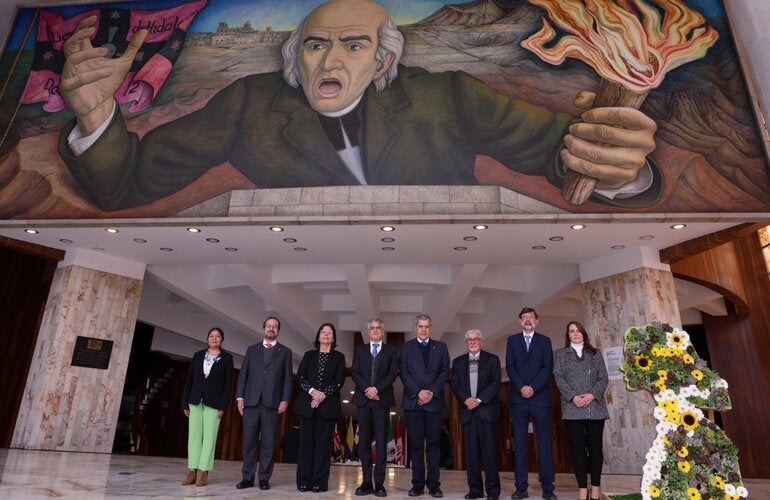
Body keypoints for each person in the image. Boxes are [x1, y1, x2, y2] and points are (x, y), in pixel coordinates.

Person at [57, 0, 659, 212]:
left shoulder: (446, 94)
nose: (330, 62)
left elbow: (565, 150)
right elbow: (125, 186)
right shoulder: (249, 104)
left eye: (353, 45)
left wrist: (617, 166)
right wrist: (92, 115)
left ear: (382, 62)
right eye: (315, 46)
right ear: (297, 58)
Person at [234, 316, 293, 490]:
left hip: (272, 403)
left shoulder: (285, 352)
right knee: (250, 442)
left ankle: (264, 478)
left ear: (278, 331)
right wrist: (239, 397)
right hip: (251, 402)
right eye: (268, 326)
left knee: (268, 443)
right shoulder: (251, 350)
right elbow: (243, 374)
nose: (271, 329)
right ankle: (247, 478)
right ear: (263, 329)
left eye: (275, 327)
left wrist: (285, 399)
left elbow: (288, 378)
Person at [553, 321, 609, 500]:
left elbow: (603, 378)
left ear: (583, 334)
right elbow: (558, 377)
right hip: (572, 407)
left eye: (578, 331)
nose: (575, 334)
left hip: (594, 406)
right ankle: (582, 489)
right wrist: (573, 397)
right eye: (571, 331)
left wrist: (592, 395)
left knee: (595, 448)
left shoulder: (595, 354)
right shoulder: (561, 355)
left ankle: (596, 488)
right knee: (577, 449)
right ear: (567, 335)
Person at [506, 307, 557, 500]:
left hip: (540, 398)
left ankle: (548, 488)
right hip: (518, 400)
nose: (528, 320)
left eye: (531, 317)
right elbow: (510, 366)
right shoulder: (512, 341)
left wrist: (532, 387)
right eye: (525, 317)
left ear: (537, 321)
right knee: (519, 444)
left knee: (544, 443)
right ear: (519, 321)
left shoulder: (545, 341)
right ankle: (521, 487)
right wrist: (522, 388)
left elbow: (547, 367)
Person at [399, 314, 450, 498]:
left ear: (430, 327)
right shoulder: (406, 348)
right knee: (416, 445)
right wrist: (418, 392)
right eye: (420, 326)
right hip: (413, 403)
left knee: (434, 445)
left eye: (426, 326)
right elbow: (404, 372)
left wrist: (431, 392)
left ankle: (434, 485)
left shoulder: (441, 347)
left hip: (434, 403)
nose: (423, 329)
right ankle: (418, 485)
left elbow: (444, 372)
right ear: (415, 327)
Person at [293, 323, 346, 493]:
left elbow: (339, 381)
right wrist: (313, 392)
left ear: (333, 338)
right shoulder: (309, 355)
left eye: (329, 333)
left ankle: (319, 483)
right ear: (318, 336)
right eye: (323, 332)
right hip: (307, 406)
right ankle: (303, 482)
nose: (326, 335)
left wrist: (322, 395)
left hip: (327, 407)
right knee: (306, 445)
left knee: (323, 446)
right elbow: (301, 377)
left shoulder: (339, 357)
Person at [450, 329, 501, 500]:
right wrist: (466, 400)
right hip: (468, 413)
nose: (472, 342)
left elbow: (495, 383)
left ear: (481, 341)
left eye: (476, 339)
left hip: (486, 412)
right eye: (469, 340)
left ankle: (493, 491)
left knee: (490, 454)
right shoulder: (457, 362)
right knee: (471, 455)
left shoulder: (492, 360)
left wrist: (478, 400)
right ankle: (475, 490)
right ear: (466, 343)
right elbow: (455, 385)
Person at [180, 327, 234, 487]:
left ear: (222, 340)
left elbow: (227, 384)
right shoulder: (197, 356)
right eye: (211, 336)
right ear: (207, 339)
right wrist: (184, 403)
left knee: (209, 437)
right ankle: (192, 470)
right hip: (195, 401)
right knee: (194, 437)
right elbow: (189, 380)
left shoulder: (227, 358)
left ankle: (203, 471)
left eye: (218, 336)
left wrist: (223, 406)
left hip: (214, 403)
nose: (214, 338)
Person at [351, 318, 398, 497]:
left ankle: (379, 483)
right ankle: (366, 482)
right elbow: (355, 372)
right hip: (363, 401)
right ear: (368, 331)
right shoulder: (360, 350)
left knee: (380, 444)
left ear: (382, 331)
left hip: (382, 400)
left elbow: (393, 373)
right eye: (372, 328)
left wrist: (376, 389)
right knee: (363, 443)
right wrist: (367, 390)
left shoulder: (391, 351)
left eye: (379, 328)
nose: (376, 330)